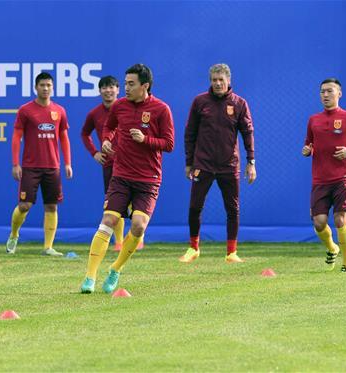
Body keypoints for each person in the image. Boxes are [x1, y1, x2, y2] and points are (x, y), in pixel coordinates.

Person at [80, 63, 174, 294]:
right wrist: (106, 140)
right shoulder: (120, 106)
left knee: (139, 227)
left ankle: (115, 268)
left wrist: (145, 140)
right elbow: (109, 127)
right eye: (125, 84)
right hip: (121, 175)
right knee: (109, 220)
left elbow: (169, 144)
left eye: (131, 84)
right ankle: (89, 277)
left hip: (148, 179)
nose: (126, 89)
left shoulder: (162, 109)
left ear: (145, 86)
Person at [181, 63, 255, 264]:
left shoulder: (239, 104)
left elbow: (248, 133)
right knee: (195, 207)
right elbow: (190, 134)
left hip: (229, 166)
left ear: (229, 81)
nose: (218, 83)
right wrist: (189, 163)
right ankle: (193, 248)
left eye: (221, 79)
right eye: (214, 80)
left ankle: (231, 252)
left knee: (233, 209)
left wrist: (251, 161)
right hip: (202, 164)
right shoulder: (200, 102)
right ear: (210, 81)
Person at [302, 78, 346, 273]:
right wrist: (307, 149)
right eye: (323, 92)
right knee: (319, 222)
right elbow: (309, 143)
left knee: (340, 220)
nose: (326, 95)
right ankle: (332, 248)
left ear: (339, 94)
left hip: (343, 177)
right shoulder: (313, 120)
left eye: (330, 91)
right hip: (320, 178)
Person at [6, 72, 72, 256]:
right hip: (30, 167)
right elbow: (16, 137)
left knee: (51, 206)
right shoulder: (26, 110)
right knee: (24, 205)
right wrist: (15, 164)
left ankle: (48, 247)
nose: (45, 88)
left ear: (53, 87)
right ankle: (14, 234)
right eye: (42, 85)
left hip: (53, 167)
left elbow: (64, 138)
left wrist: (67, 163)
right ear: (36, 87)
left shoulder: (59, 111)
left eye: (49, 85)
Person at [80, 75, 130, 251]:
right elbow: (84, 134)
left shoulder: (127, 108)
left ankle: (138, 236)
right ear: (99, 91)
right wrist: (94, 152)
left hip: (131, 163)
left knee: (135, 202)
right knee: (115, 203)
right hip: (110, 164)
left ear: (118, 89)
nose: (108, 90)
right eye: (104, 87)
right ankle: (119, 242)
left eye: (112, 87)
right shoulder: (94, 114)